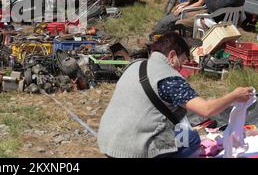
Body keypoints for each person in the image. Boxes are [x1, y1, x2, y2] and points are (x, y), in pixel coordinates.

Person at [97, 32, 255, 158]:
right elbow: (206, 110)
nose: (181, 68)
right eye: (182, 60)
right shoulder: (168, 78)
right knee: (191, 138)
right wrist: (234, 95)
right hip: (132, 150)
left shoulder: (135, 65)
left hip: (107, 139)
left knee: (181, 133)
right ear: (172, 56)